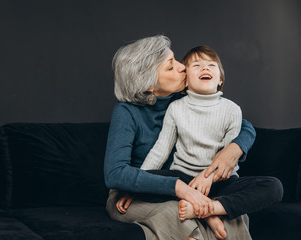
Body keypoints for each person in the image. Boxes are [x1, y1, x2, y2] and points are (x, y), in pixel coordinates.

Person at [104, 35, 255, 240]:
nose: (182, 66)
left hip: (187, 186)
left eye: (175, 59)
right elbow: (115, 173)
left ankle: (203, 211)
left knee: (234, 216)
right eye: (170, 67)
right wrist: (160, 187)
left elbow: (243, 125)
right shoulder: (126, 111)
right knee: (173, 214)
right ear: (149, 85)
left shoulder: (183, 98)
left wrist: (234, 149)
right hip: (135, 196)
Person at [139, 45, 283, 239]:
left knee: (273, 187)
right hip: (184, 180)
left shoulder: (232, 110)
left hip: (221, 182)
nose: (204, 68)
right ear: (186, 80)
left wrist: (208, 178)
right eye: (196, 65)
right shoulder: (176, 108)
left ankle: (211, 209)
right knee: (143, 187)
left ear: (220, 79)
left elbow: (228, 159)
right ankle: (203, 208)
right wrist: (139, 182)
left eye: (211, 65)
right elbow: (161, 150)